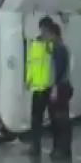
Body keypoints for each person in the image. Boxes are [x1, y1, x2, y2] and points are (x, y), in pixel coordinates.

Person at [35, 20, 73, 159]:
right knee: (58, 119)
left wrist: (54, 88)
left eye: (45, 33)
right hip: (60, 87)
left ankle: (61, 149)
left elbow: (58, 71)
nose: (43, 36)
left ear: (53, 34)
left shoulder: (59, 48)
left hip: (60, 87)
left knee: (60, 119)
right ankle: (60, 149)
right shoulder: (57, 47)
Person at [25, 17, 55, 155]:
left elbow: (57, 64)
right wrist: (28, 79)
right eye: (42, 28)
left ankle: (56, 147)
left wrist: (49, 45)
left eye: (46, 28)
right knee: (36, 119)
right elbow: (30, 63)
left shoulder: (53, 44)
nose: (43, 31)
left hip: (49, 86)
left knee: (54, 118)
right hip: (37, 87)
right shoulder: (35, 44)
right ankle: (34, 146)